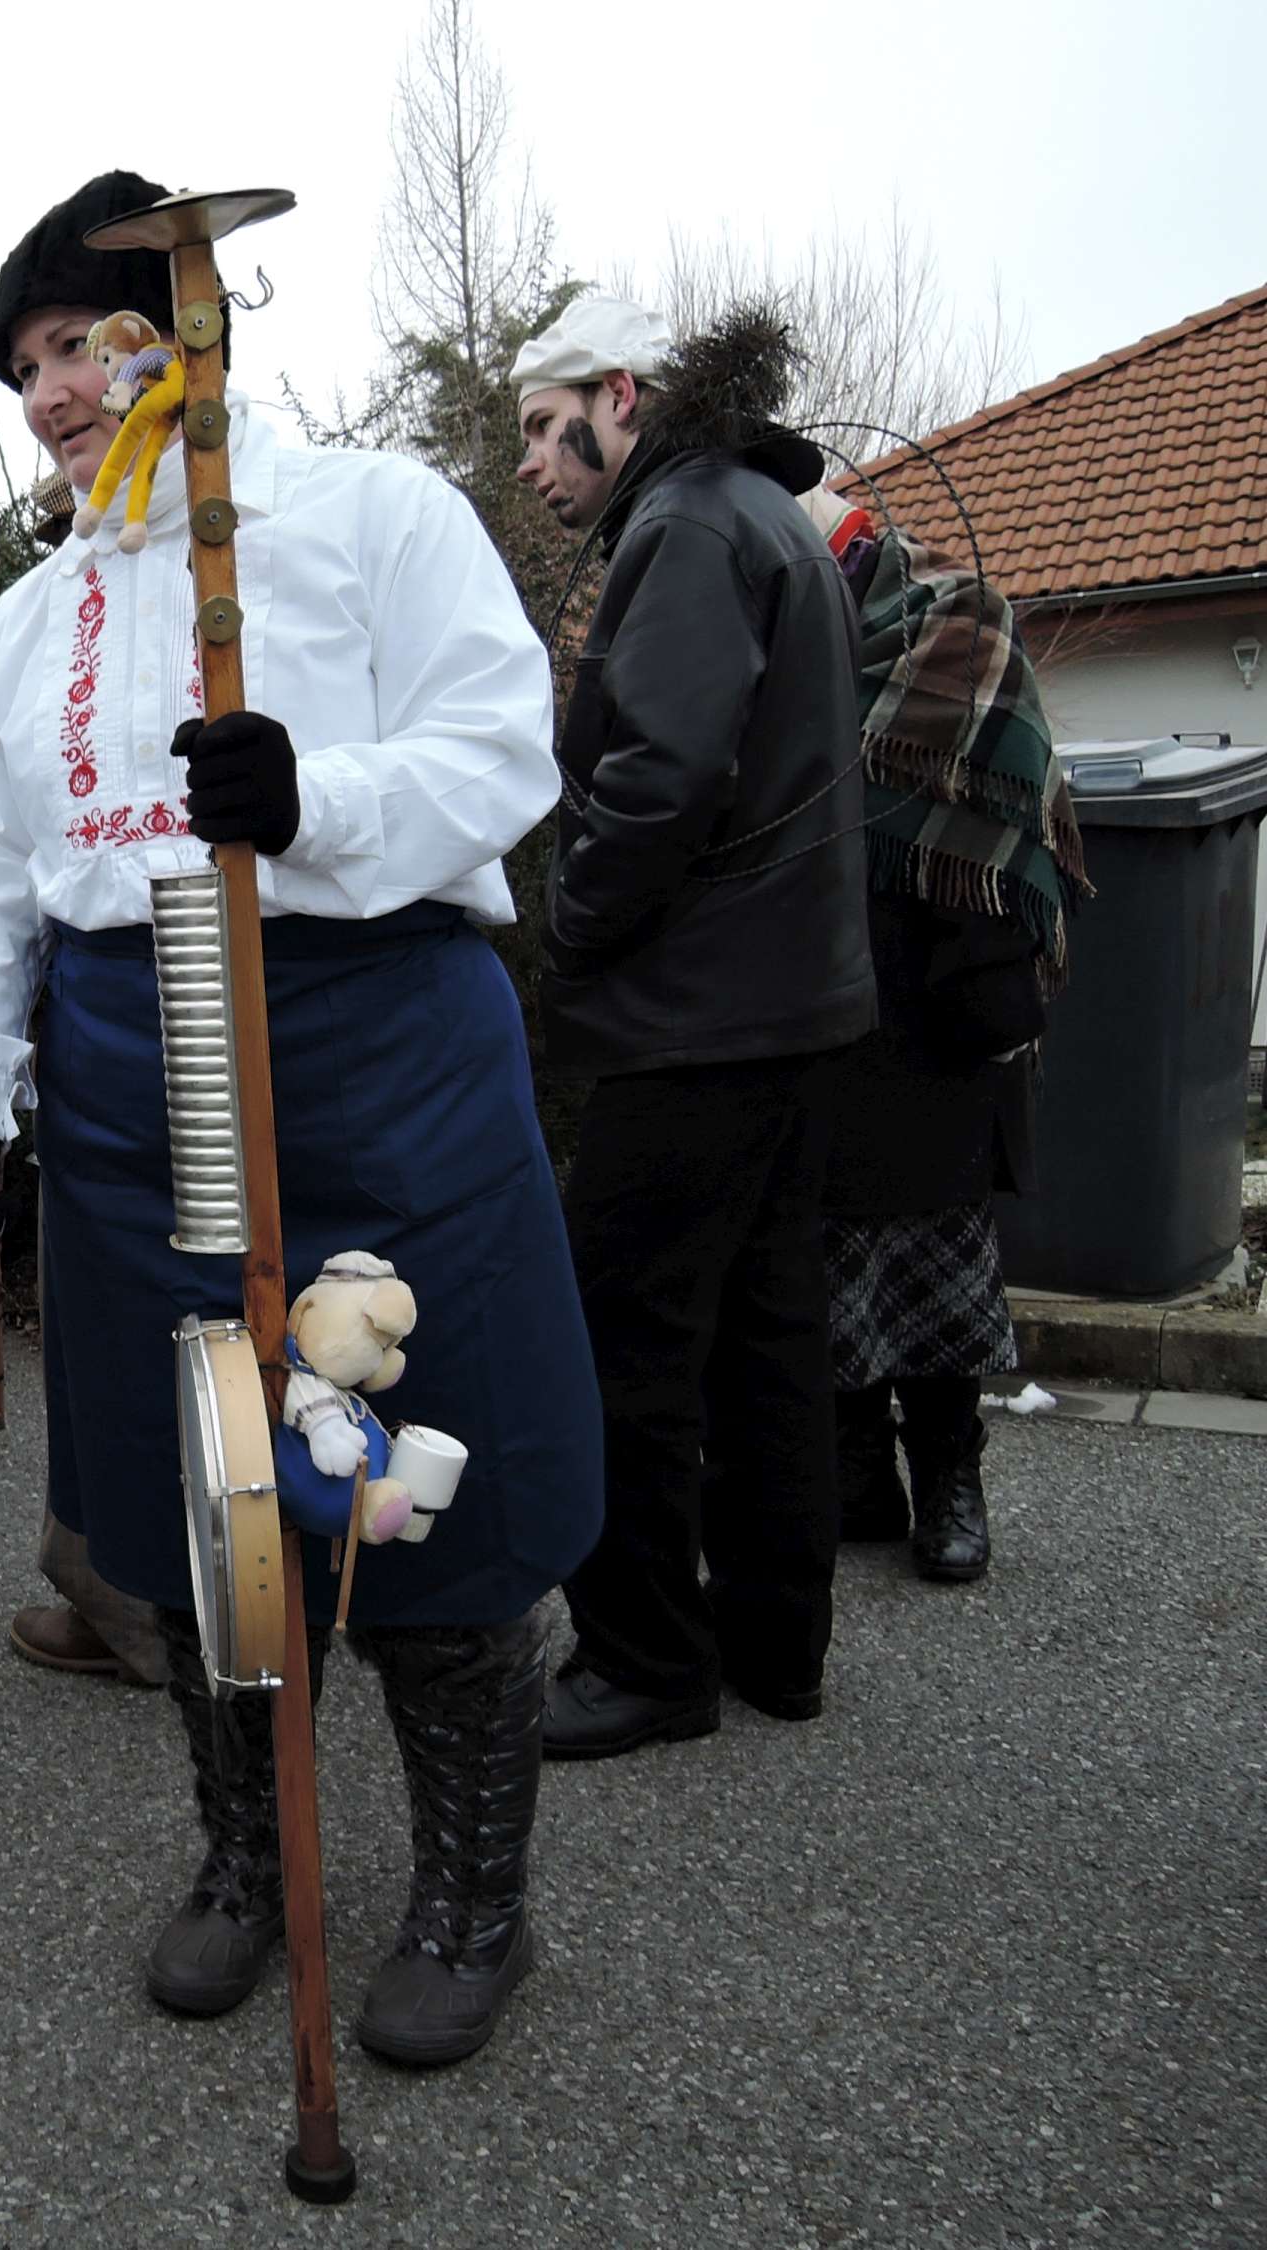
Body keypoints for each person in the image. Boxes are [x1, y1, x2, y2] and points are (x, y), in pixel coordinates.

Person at [0, 174, 602, 2066]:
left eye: (77, 344)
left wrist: (318, 801)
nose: (50, 394)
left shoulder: (377, 516)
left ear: (184, 331)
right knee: (201, 1493)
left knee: (429, 1472)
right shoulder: (31, 616)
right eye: (21, 367)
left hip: (375, 1055)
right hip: (128, 1084)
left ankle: (473, 1892)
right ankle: (249, 1850)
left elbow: (501, 751)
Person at [511, 295, 875, 1757]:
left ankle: (646, 1656)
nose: (532, 461)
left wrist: (571, 922)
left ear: (623, 394)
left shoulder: (688, 526)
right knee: (767, 1331)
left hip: (696, 1013)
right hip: (788, 1003)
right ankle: (777, 1645)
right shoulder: (765, 515)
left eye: (547, 426)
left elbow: (660, 777)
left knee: (625, 1340)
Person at [805, 488, 1088, 1584]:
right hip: (829, 983)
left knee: (937, 1265)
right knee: (835, 1261)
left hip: (946, 981)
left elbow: (1006, 793)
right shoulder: (791, 646)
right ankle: (862, 1478)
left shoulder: (959, 620)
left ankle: (950, 1483)